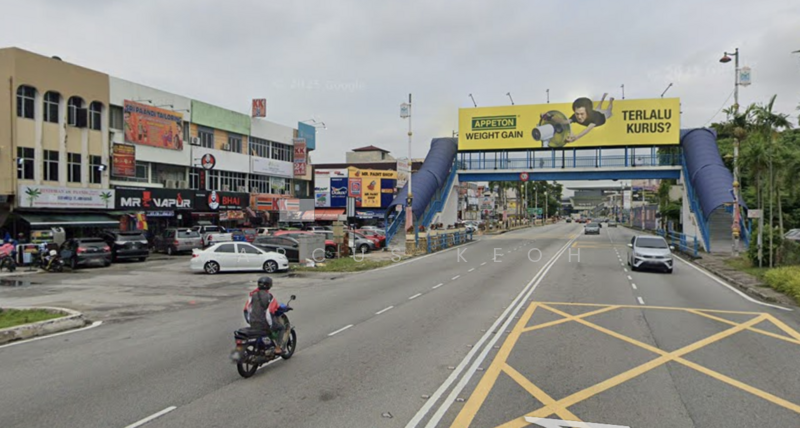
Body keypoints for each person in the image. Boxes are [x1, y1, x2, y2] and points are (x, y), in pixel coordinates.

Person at [245, 276, 286, 355]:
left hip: (253, 322)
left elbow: (246, 309)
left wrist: (250, 321)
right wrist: (271, 325)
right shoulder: (269, 297)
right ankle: (278, 348)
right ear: (269, 285)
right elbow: (271, 311)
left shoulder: (252, 295)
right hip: (264, 323)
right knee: (281, 328)